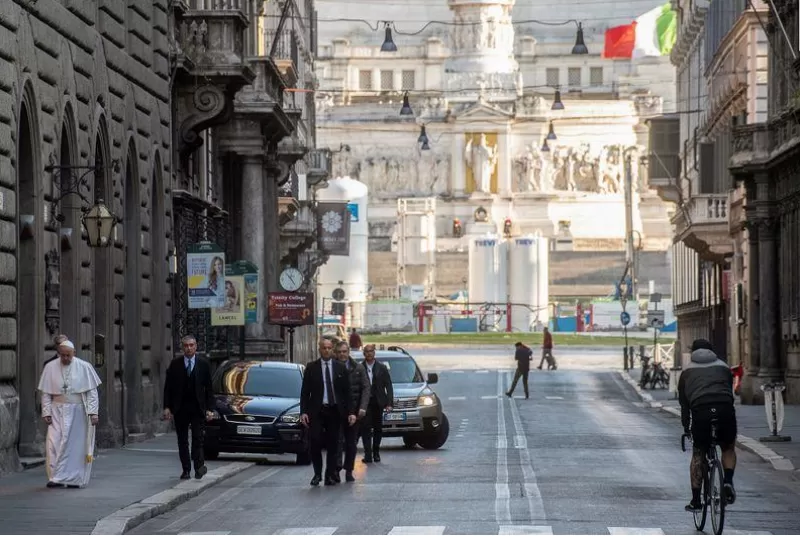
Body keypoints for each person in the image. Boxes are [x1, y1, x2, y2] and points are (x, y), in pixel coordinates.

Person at [678, 338, 738, 512]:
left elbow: (684, 404)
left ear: (693, 353)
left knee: (698, 454)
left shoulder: (687, 371)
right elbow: (729, 391)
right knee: (728, 448)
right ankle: (727, 480)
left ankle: (696, 501)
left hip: (701, 411)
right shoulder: (724, 367)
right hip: (724, 409)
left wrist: (686, 427)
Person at [38, 340, 102, 488]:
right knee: (53, 443)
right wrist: (46, 411)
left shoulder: (84, 367)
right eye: (63, 355)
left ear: (74, 353)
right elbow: (46, 393)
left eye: (68, 355)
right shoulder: (50, 367)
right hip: (56, 410)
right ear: (59, 354)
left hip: (77, 411)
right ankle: (55, 477)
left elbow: (92, 392)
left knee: (75, 446)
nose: (66, 358)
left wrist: (93, 413)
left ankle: (73, 478)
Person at [300, 339, 356, 486]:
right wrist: (303, 412)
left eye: (329, 348)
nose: (326, 350)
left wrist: (351, 412)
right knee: (315, 442)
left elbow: (347, 392)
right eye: (324, 348)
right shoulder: (312, 368)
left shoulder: (340, 368)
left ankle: (329, 474)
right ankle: (317, 473)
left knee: (333, 444)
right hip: (317, 411)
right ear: (319, 349)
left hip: (335, 410)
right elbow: (305, 392)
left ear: (332, 350)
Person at [163, 335, 215, 480]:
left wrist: (210, 409)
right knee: (183, 440)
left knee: (198, 439)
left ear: (196, 346)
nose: (189, 348)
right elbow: (168, 388)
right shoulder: (175, 364)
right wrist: (167, 407)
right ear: (182, 347)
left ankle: (199, 467)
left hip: (198, 408)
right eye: (186, 345)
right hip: (180, 408)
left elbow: (209, 389)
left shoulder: (203, 364)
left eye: (191, 345)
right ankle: (186, 469)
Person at [334, 341, 369, 482]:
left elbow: (366, 388)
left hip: (354, 413)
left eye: (344, 352)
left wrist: (362, 407)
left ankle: (349, 470)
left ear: (348, 352)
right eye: (340, 352)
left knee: (351, 443)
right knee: (336, 443)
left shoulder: (358, 368)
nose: (342, 354)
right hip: (336, 412)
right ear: (336, 353)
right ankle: (336, 469)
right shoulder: (332, 367)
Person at [360, 344, 393, 463]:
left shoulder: (382, 368)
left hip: (378, 402)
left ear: (374, 353)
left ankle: (376, 452)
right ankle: (368, 454)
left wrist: (389, 403)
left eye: (371, 351)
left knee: (378, 428)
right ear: (364, 354)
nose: (369, 353)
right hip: (365, 403)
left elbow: (388, 386)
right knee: (365, 428)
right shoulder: (360, 367)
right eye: (367, 352)